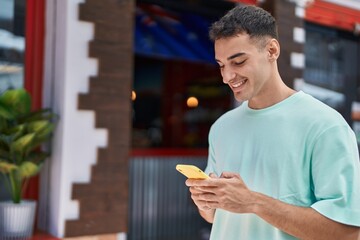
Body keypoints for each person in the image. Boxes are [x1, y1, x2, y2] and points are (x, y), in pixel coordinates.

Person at [185, 5, 360, 240]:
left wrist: (254, 202)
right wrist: (206, 204)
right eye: (221, 65)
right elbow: (218, 216)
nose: (227, 77)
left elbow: (347, 233)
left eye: (238, 61)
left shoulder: (325, 126)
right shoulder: (221, 128)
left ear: (271, 50)